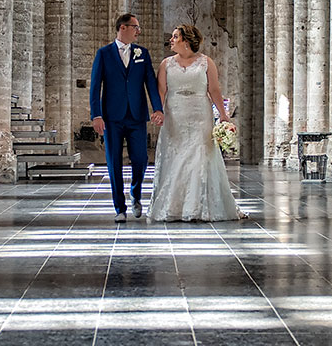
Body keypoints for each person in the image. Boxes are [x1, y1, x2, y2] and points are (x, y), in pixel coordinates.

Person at [149, 24, 245, 222]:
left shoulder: (206, 62)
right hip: (175, 113)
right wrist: (158, 111)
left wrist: (224, 115)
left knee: (200, 156)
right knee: (176, 157)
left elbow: (215, 90)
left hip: (200, 113)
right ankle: (174, 206)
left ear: (186, 40)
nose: (171, 40)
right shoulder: (166, 64)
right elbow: (161, 91)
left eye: (175, 37)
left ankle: (198, 205)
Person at [90, 13, 164, 223]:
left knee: (140, 160)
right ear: (123, 28)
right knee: (114, 162)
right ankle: (119, 208)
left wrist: (157, 108)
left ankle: (136, 192)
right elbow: (95, 86)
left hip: (136, 115)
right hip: (112, 117)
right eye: (135, 27)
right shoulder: (104, 54)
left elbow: (150, 82)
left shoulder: (143, 53)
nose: (138, 31)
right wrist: (96, 115)